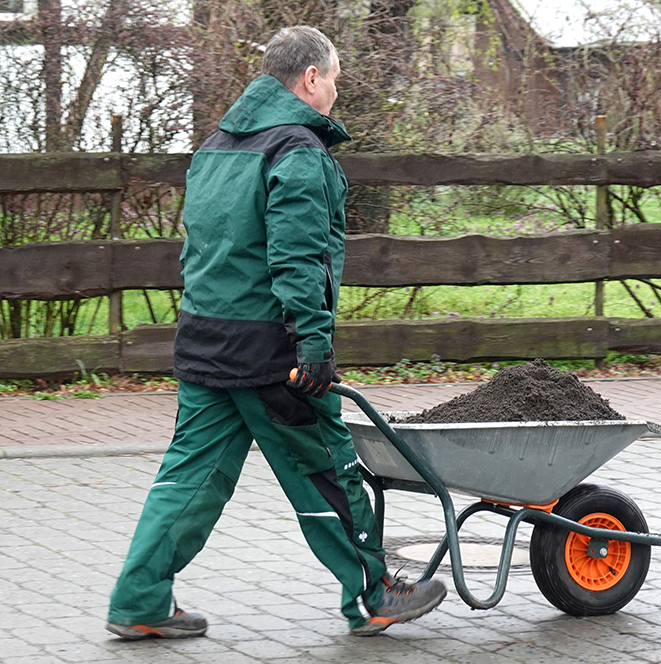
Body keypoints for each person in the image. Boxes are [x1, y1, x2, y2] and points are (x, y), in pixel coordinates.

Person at [105, 25, 446, 640]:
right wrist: (313, 344)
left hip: (206, 343)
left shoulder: (214, 147)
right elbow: (299, 257)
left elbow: (200, 253)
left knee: (191, 477)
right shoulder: (298, 151)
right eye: (334, 79)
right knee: (328, 472)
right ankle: (374, 595)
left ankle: (139, 599)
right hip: (272, 353)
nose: (335, 92)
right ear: (310, 78)